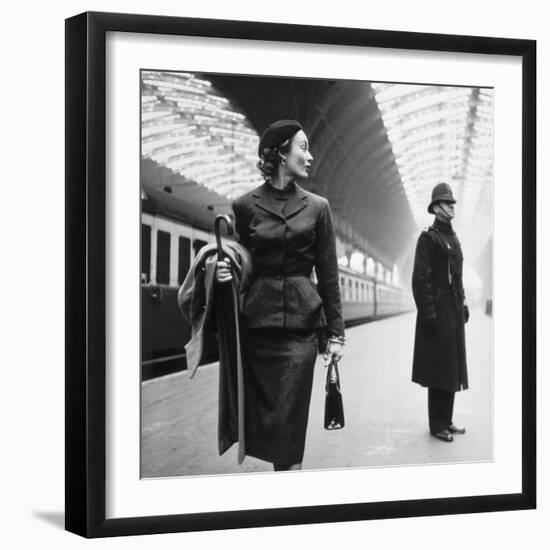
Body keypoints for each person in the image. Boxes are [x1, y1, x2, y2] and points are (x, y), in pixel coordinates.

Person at [216, 119, 345, 471]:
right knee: (271, 435)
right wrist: (227, 272)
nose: (310, 155)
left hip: (302, 331)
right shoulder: (245, 206)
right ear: (281, 153)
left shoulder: (319, 208)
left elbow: (329, 276)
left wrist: (335, 334)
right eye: (302, 147)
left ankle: (290, 495)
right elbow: (245, 262)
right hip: (258, 330)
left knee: (290, 434)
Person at [411, 183, 469, 442]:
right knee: (439, 368)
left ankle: (447, 420)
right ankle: (437, 425)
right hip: (437, 313)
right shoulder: (428, 238)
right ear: (435, 208)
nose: (451, 206)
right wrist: (429, 314)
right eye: (446, 203)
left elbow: (457, 277)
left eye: (452, 202)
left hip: (453, 312)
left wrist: (463, 303)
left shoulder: (453, 239)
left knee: (451, 366)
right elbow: (420, 280)